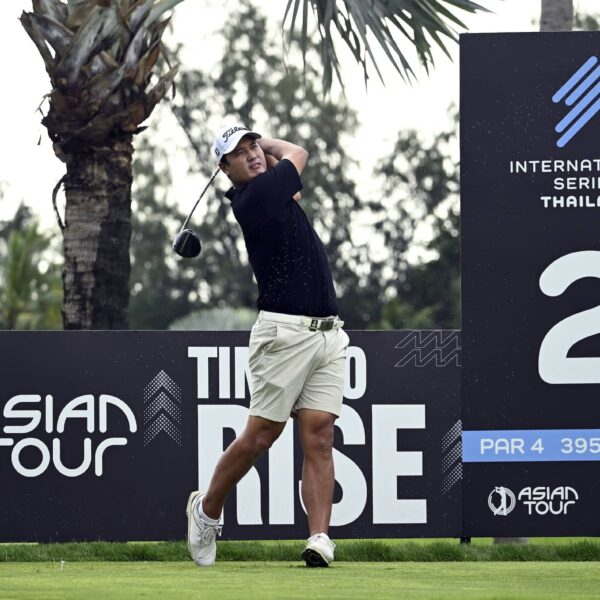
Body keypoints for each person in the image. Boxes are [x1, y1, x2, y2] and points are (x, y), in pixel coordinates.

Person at [186, 123, 349, 568]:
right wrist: (272, 143)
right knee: (262, 435)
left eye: (253, 145)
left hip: (328, 332)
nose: (253, 154)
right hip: (283, 333)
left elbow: (286, 170)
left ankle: (320, 538)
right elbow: (299, 150)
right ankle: (206, 510)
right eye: (240, 153)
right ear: (225, 168)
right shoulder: (253, 199)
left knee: (319, 434)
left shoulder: (277, 192)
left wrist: (257, 146)